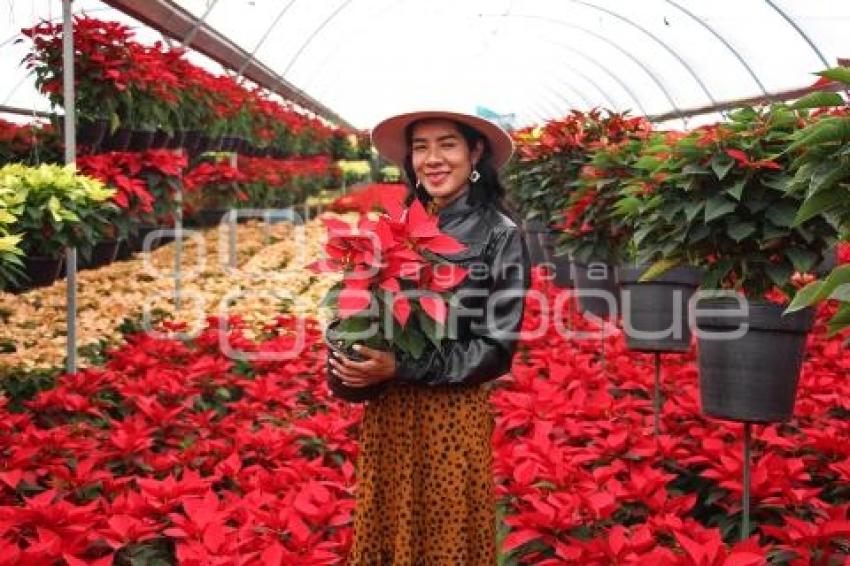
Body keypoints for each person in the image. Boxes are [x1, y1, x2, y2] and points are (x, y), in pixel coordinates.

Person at [327, 110, 530, 564]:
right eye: (421, 147)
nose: (432, 159)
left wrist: (402, 366)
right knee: (389, 532)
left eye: (447, 144)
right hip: (391, 414)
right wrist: (347, 354)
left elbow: (496, 349)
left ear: (475, 152)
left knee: (445, 543)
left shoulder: (500, 234)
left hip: (450, 417)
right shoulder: (397, 224)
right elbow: (362, 305)